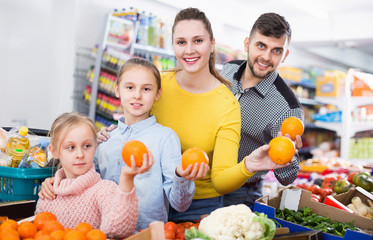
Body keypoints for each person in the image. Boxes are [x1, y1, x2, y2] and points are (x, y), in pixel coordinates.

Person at [99, 8, 295, 222]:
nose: (189, 50)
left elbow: (220, 180)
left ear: (212, 44)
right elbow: (136, 123)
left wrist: (250, 165)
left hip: (198, 207)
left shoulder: (227, 103)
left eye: (198, 41)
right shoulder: (156, 85)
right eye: (181, 42)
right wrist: (113, 134)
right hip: (148, 200)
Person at [39, 58, 200, 231]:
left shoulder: (165, 138)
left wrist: (182, 177)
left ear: (157, 94)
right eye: (130, 87)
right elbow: (86, 182)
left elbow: (180, 205)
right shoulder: (105, 139)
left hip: (145, 234)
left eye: (146, 89)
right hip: (102, 232)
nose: (137, 95)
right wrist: (57, 181)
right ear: (117, 90)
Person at [220, 12, 304, 208]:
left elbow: (287, 178)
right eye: (261, 46)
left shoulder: (288, 108)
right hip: (203, 181)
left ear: (285, 55)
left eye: (276, 51)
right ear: (247, 43)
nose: (266, 57)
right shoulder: (226, 71)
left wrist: (291, 154)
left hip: (240, 193)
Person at [36, 112, 151, 239]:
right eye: (71, 147)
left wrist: (126, 181)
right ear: (55, 152)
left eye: (87, 146)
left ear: (95, 147)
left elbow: (117, 231)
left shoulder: (104, 190)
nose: (80, 154)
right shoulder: (48, 193)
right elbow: (37, 232)